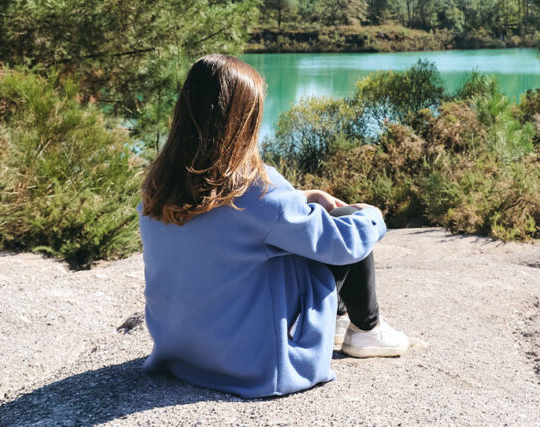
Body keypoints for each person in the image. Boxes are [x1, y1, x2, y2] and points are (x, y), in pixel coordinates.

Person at [138, 54, 409, 398]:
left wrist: (303, 196)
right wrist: (370, 214)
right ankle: (367, 330)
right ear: (242, 121)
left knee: (286, 237)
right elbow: (343, 244)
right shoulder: (255, 193)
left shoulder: (157, 190)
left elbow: (236, 224)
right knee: (342, 222)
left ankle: (341, 320)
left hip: (181, 353)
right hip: (252, 365)